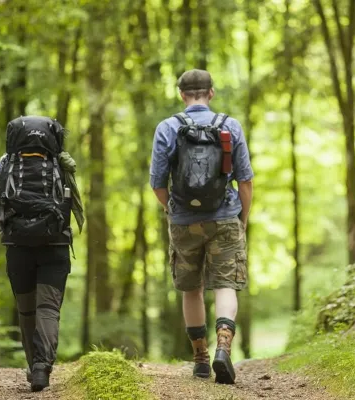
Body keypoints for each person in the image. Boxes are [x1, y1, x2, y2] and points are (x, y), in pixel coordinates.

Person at [149, 69, 254, 384]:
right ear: (211, 92)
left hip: (183, 222)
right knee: (225, 285)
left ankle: (200, 359)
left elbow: (156, 183)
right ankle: (224, 346)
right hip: (224, 218)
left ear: (182, 95)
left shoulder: (167, 128)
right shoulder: (230, 126)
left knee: (191, 289)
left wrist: (174, 209)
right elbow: (245, 181)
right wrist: (242, 219)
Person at [0, 116, 83, 392]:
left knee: (27, 309)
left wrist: (5, 231)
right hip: (55, 245)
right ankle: (43, 368)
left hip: (17, 247)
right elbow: (72, 203)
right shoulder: (61, 163)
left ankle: (33, 366)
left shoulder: (5, 163)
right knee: (48, 308)